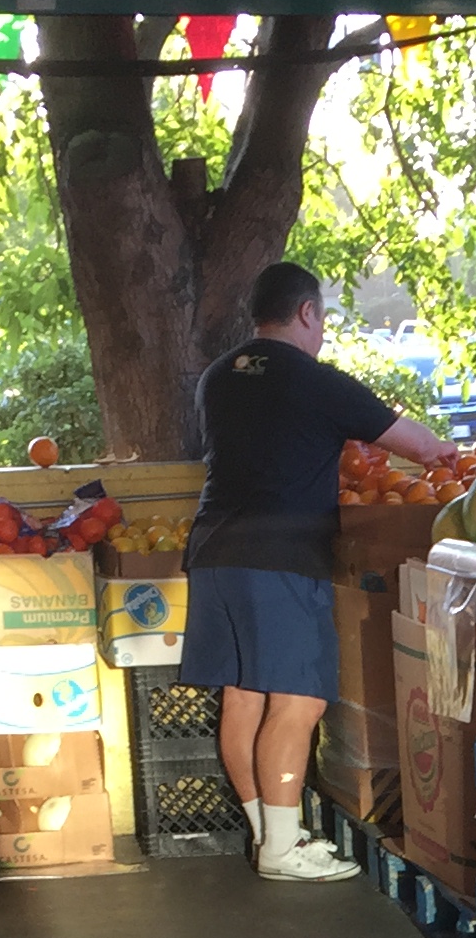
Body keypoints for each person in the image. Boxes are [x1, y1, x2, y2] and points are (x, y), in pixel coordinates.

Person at [180, 261, 458, 881]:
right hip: (279, 557)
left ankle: (268, 834)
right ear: (307, 312)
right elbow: (418, 447)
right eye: (322, 318)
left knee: (244, 695)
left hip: (212, 551)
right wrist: (451, 455)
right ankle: (282, 852)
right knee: (299, 700)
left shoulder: (217, 378)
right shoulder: (316, 380)